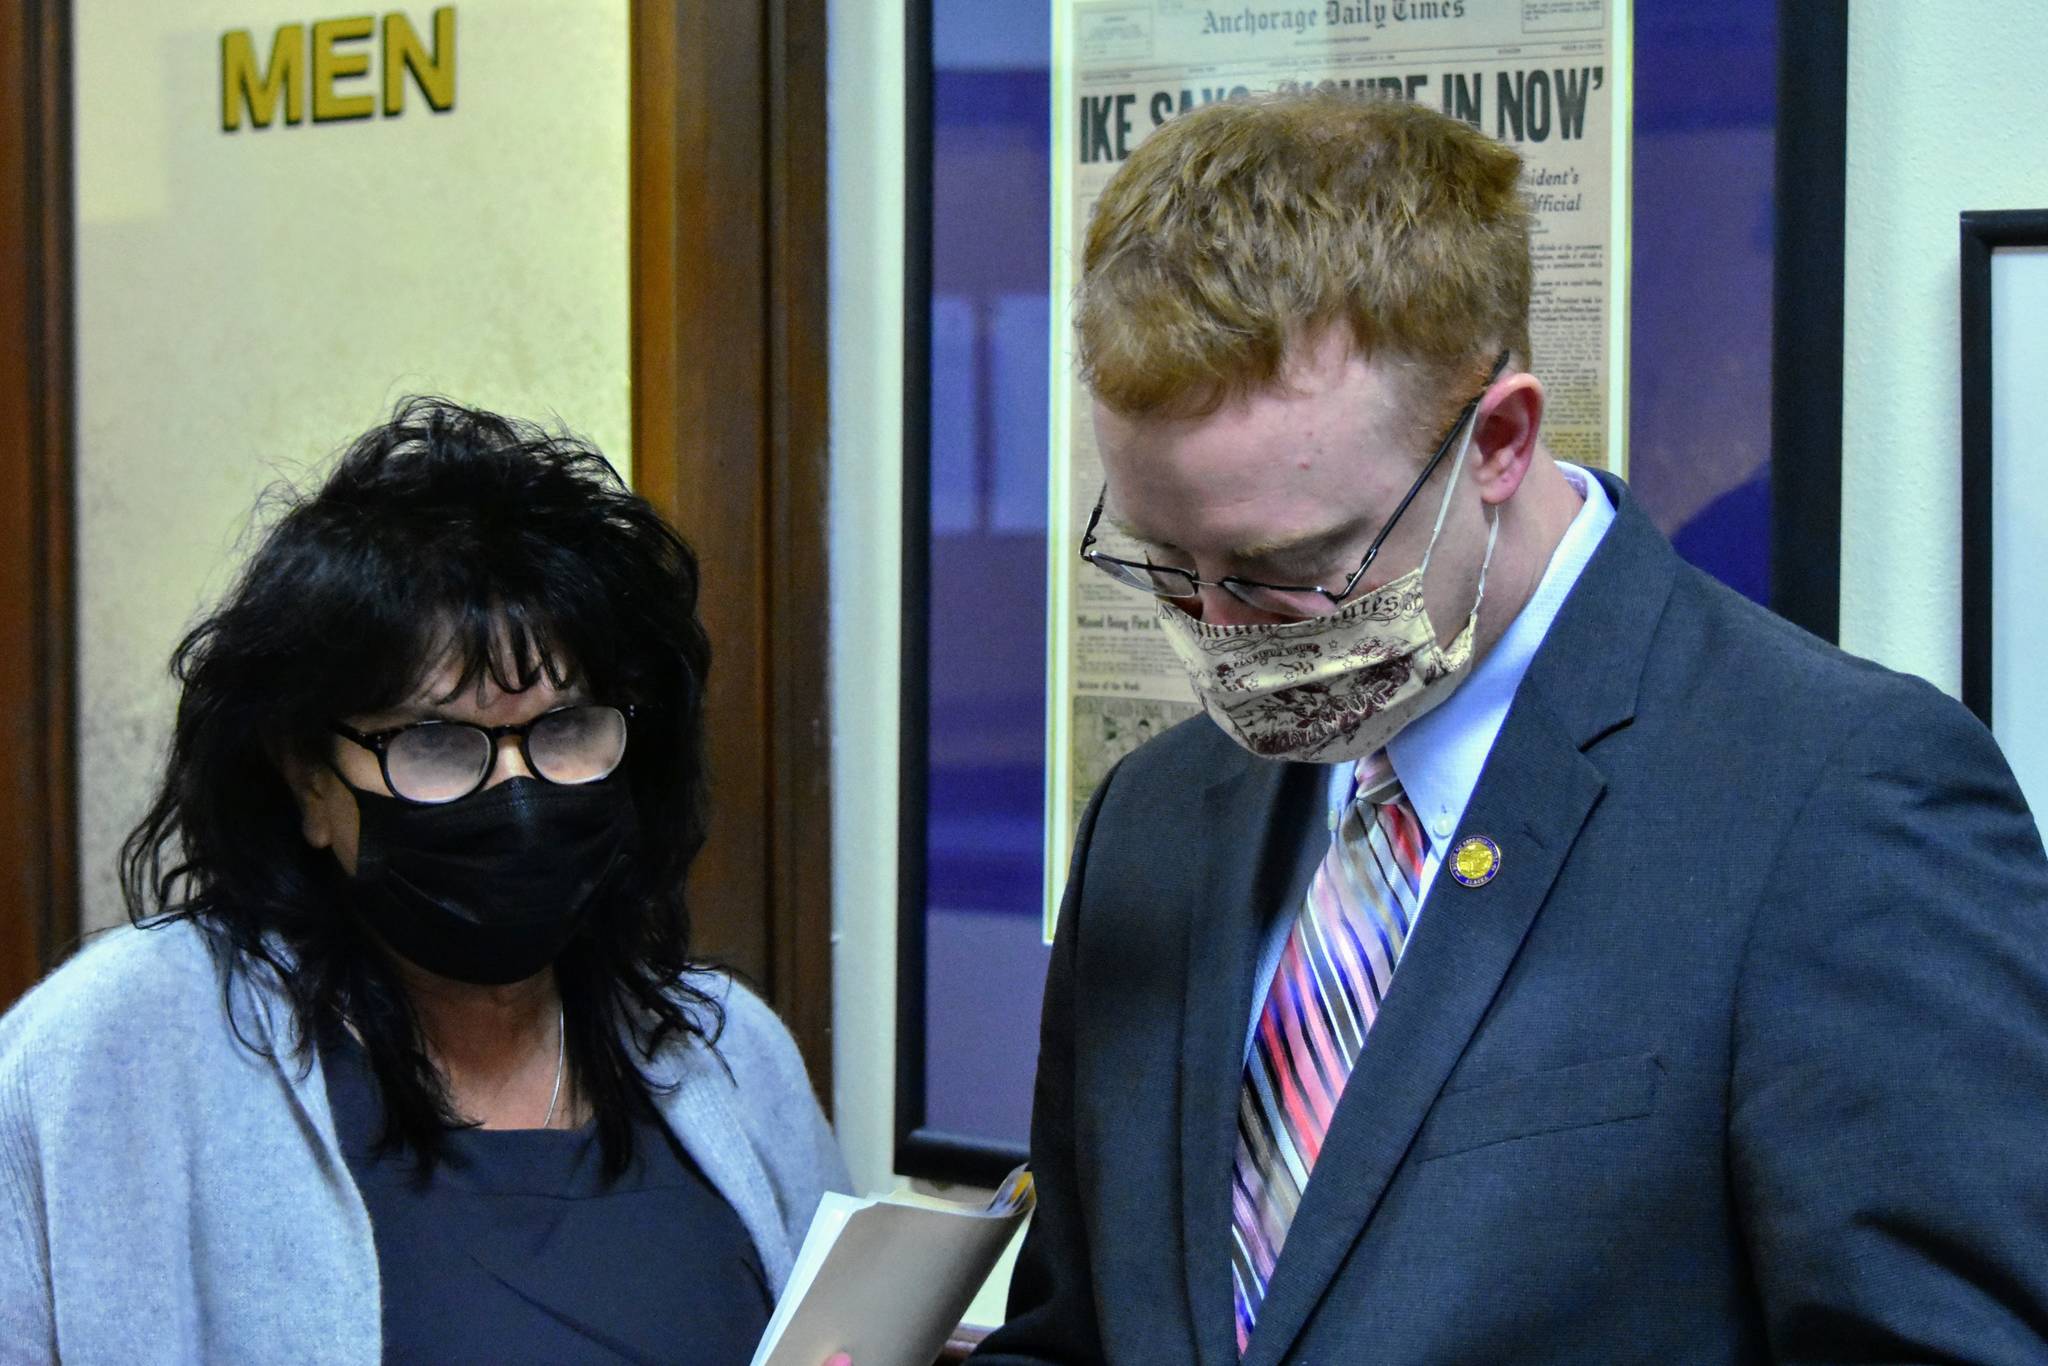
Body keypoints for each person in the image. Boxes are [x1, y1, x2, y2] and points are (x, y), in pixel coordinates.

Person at [973, 93, 2048, 1363]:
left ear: (1497, 438)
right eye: (1165, 562)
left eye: (1286, 570)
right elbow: (1071, 1329)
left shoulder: (1832, 795)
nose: (1221, 631)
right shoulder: (1154, 818)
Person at [0, 399, 849, 1363]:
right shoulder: (113, 1050)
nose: (518, 792)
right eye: (440, 743)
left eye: (567, 730)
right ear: (308, 779)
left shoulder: (730, 1052)